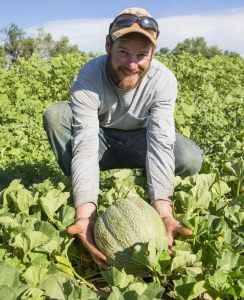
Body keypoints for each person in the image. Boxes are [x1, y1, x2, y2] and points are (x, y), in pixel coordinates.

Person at [43, 7, 203, 268]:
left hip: (141, 140)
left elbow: (161, 142)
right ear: (108, 45)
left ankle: (148, 180)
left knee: (189, 156)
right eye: (123, 52)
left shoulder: (163, 81)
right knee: (56, 116)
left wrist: (163, 210)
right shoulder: (89, 77)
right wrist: (86, 215)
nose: (132, 64)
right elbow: (84, 144)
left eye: (142, 55)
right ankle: (82, 184)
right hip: (99, 137)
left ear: (153, 52)